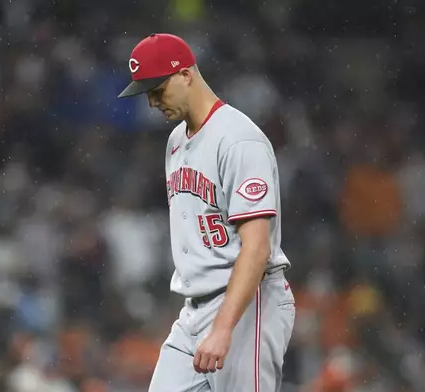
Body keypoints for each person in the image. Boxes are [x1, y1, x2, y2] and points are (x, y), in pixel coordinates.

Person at [117, 33, 295, 392]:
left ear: (185, 74)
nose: (152, 102)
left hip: (248, 304)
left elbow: (257, 248)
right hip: (194, 309)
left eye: (157, 89)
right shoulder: (175, 142)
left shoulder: (238, 140)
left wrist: (223, 328)